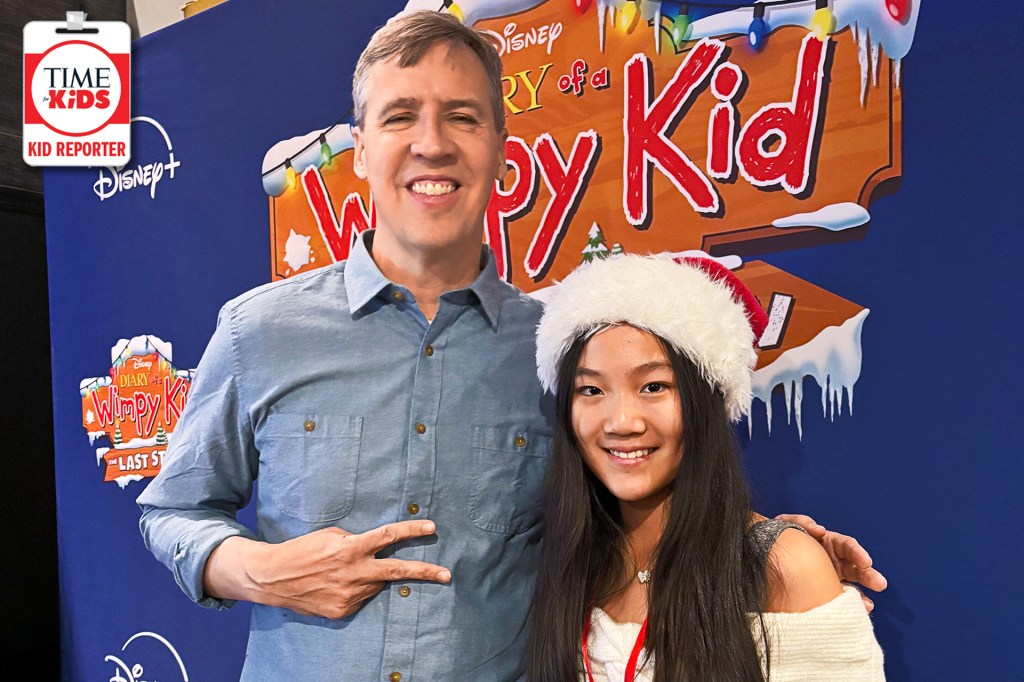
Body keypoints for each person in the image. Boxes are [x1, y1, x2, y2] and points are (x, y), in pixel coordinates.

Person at [137, 10, 884, 681]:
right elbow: (171, 510)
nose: (432, 144)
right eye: (400, 116)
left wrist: (773, 550)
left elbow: (631, 490)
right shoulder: (259, 330)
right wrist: (254, 569)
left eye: (461, 117)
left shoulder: (559, 350)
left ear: (499, 148)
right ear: (359, 150)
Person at [527, 254, 886, 681]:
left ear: (707, 402)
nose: (621, 421)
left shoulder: (784, 567)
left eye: (653, 386)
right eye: (590, 389)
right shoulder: (565, 557)